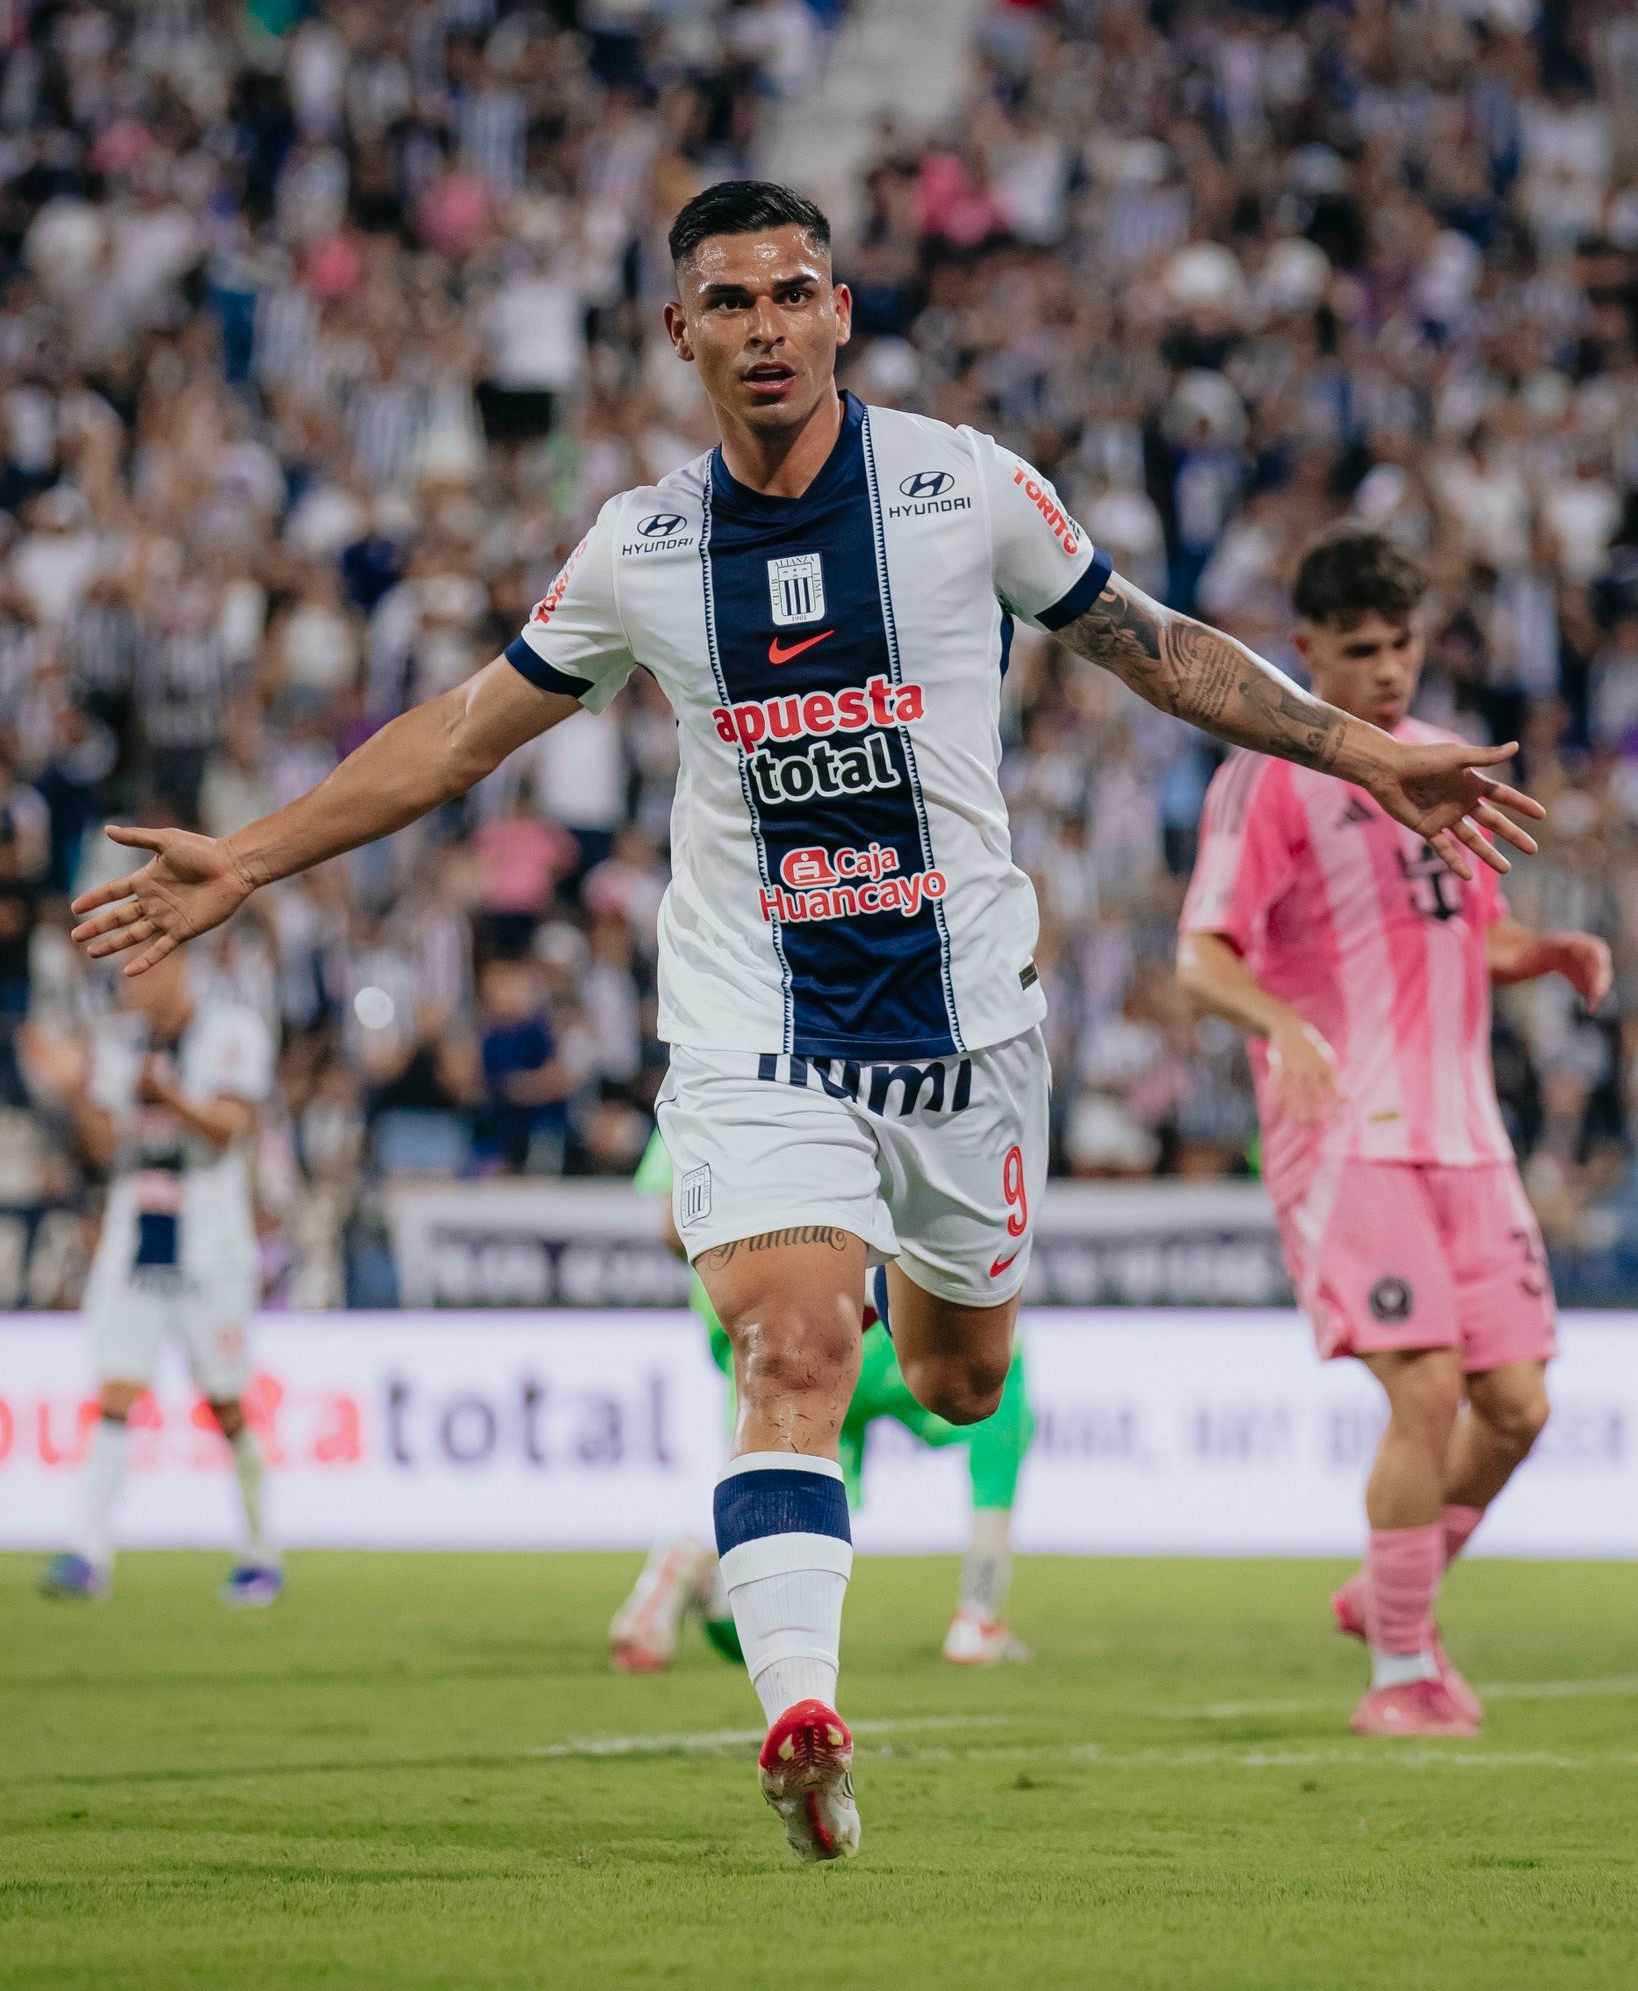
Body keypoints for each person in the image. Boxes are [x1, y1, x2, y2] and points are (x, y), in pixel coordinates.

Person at [68, 182, 1542, 1860]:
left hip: (966, 1031)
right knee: (794, 1348)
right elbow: (464, 731)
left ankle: (863, 1469)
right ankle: (800, 1719)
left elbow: (1153, 647)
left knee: (959, 1380)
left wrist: (1362, 752)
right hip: (752, 1023)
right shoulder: (641, 548)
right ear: (677, 333)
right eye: (729, 301)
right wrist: (250, 856)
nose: (764, 327)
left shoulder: (959, 487)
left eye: (791, 294)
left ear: (839, 311)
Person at [1177, 527, 1607, 1739]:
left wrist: (1543, 951)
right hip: (1344, 1131)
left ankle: (1389, 1588)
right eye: (1359, 648)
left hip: (1466, 1130)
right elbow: (1201, 955)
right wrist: (1284, 1025)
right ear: (1306, 648)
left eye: (1401, 645)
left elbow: (1467, 930)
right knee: (1424, 1384)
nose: (1385, 669)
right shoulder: (1270, 772)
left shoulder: (1441, 760)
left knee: (1517, 1406)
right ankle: (1402, 1671)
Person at [609, 1130, 1034, 1675]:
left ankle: (700, 1568)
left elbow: (675, 1227)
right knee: (1001, 1382)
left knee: (784, 1562)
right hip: (862, 1312)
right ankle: (978, 1614)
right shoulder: (861, 1083)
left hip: (752, 1330)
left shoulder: (696, 1086)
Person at [39, 949, 282, 1605]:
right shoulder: (116, 1043)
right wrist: (76, 1089)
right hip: (136, 1236)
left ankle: (261, 1550)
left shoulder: (233, 1031)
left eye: (143, 970)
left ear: (177, 968)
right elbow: (104, 1147)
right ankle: (88, 1554)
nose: (131, 983)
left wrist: (166, 1093)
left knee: (225, 1401)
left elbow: (229, 1130)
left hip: (210, 1244)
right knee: (115, 1390)